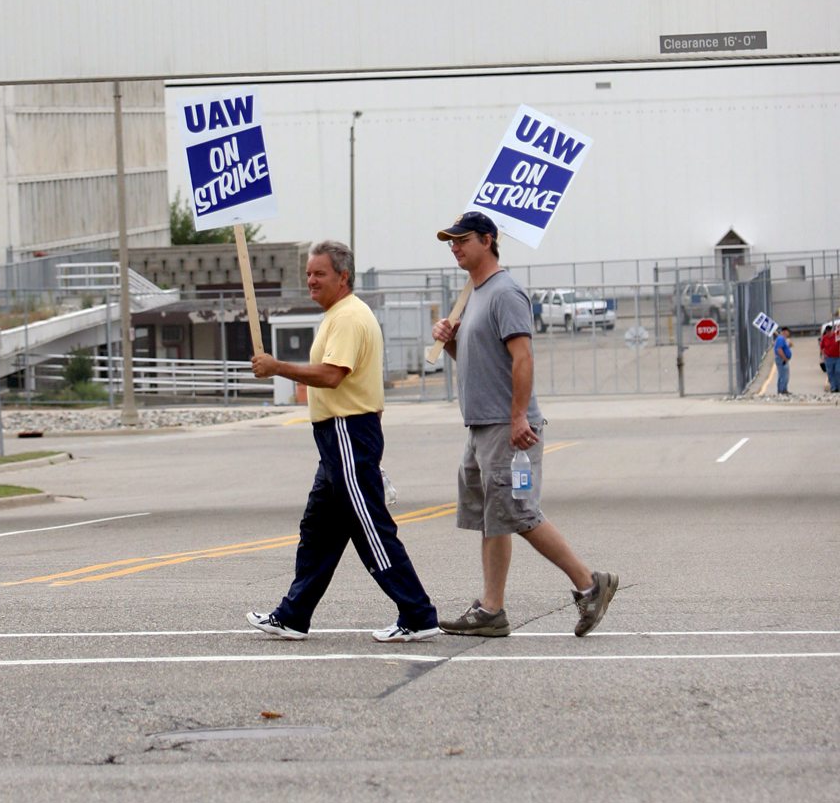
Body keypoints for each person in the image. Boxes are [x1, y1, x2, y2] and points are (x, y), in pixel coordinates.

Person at [432, 212, 618, 638]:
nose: (455, 247)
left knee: (519, 512)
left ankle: (590, 584)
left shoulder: (505, 292)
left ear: (488, 240)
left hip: (507, 427)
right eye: (450, 242)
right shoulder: (475, 294)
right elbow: (479, 363)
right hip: (481, 426)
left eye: (462, 240)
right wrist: (451, 343)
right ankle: (491, 609)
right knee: (492, 518)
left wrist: (518, 417)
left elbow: (523, 358)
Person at [247, 239, 440, 643]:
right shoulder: (339, 315)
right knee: (318, 530)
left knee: (371, 529)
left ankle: (418, 614)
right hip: (338, 437)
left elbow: (333, 375)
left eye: (319, 274)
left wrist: (276, 367)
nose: (311, 281)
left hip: (347, 432)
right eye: (308, 274)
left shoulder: (349, 317)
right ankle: (294, 615)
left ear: (343, 276)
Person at [819, 319, 840, 392]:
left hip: (838, 357)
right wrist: (823, 357)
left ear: (832, 330)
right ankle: (834, 388)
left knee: (838, 371)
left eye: (829, 331)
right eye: (827, 331)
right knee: (830, 373)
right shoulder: (824, 338)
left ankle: (838, 386)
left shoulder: (836, 335)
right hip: (829, 358)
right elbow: (822, 347)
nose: (828, 332)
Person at [773, 326, 793, 395]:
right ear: (785, 332)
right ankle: (782, 390)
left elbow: (784, 348)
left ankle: (783, 390)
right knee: (784, 375)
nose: (788, 334)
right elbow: (779, 350)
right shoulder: (781, 339)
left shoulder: (782, 339)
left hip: (782, 359)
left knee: (783, 375)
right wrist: (784, 358)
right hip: (781, 359)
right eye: (788, 332)